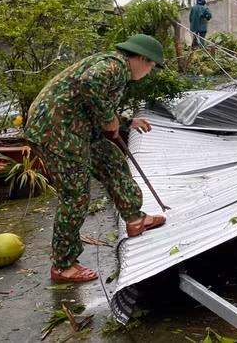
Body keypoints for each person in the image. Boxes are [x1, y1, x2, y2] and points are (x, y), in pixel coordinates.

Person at [23, 34, 168, 282]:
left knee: (113, 162)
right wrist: (107, 117)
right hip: (58, 133)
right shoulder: (114, 66)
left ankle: (135, 218)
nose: (149, 71)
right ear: (142, 58)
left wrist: (126, 121)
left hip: (77, 129)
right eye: (151, 66)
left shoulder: (114, 67)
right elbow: (90, 83)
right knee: (76, 196)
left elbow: (91, 104)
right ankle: (63, 264)